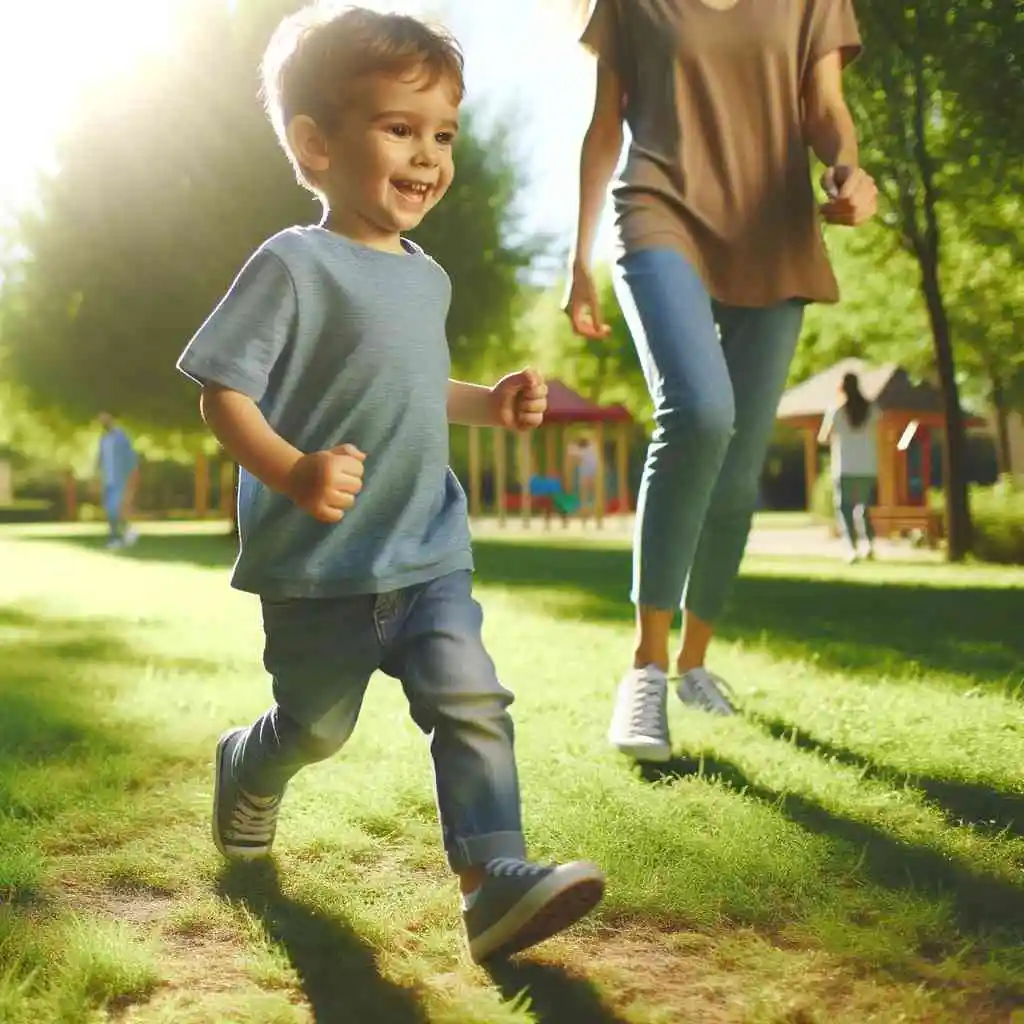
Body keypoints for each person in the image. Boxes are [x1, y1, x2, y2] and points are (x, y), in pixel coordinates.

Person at [175, 6, 604, 964]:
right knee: (316, 730)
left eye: (442, 134)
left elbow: (407, 386)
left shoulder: (427, 277)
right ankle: (250, 762)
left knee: (472, 700)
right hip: (319, 568)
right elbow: (221, 391)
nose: (428, 156)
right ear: (315, 143)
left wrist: (488, 407)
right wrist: (294, 470)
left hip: (426, 552)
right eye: (400, 129)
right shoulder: (291, 264)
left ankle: (493, 881)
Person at [565, 0, 878, 762]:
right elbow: (607, 121)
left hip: (774, 231)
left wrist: (849, 166)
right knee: (700, 413)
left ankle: (694, 664)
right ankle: (645, 667)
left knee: (737, 474)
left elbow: (826, 109)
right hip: (657, 207)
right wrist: (578, 257)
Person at [819, 371, 879, 563]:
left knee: (845, 508)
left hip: (845, 466)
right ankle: (868, 545)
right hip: (867, 466)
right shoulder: (871, 409)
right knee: (864, 507)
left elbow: (823, 438)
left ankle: (851, 548)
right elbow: (877, 428)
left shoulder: (837, 411)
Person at [95, 411, 139, 549]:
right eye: (100, 417)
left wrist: (132, 480)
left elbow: (131, 460)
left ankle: (117, 537)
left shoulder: (122, 437)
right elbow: (100, 460)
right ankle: (122, 535)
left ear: (111, 417)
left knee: (115, 510)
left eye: (104, 416)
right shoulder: (103, 439)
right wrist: (96, 478)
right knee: (110, 511)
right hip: (107, 481)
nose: (102, 419)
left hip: (120, 480)